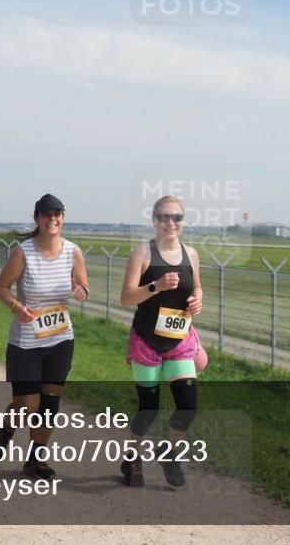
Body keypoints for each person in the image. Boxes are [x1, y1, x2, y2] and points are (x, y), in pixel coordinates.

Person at [0, 194, 88, 480]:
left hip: (60, 339)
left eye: (57, 215)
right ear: (37, 218)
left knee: (49, 403)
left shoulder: (72, 251)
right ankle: (6, 430)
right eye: (47, 215)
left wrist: (81, 291)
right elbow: (2, 287)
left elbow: (83, 284)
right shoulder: (23, 253)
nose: (52, 220)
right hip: (26, 343)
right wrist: (17, 307)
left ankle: (35, 459)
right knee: (27, 405)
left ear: (62, 218)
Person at [119, 195, 203, 488]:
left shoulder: (191, 254)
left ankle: (169, 452)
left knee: (188, 404)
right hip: (147, 341)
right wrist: (155, 286)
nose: (171, 223)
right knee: (149, 408)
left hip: (179, 339)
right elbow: (126, 298)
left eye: (176, 217)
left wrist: (196, 303)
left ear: (182, 221)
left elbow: (199, 288)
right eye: (165, 217)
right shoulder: (142, 254)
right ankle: (132, 458)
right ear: (154, 220)